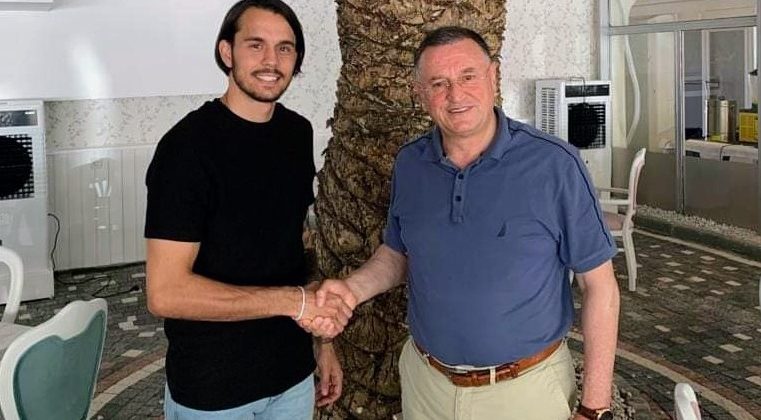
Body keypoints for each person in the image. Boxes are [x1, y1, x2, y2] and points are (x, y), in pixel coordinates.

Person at [306, 26, 621, 420]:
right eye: (438, 83)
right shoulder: (411, 163)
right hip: (427, 386)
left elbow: (600, 287)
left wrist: (594, 407)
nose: (455, 95)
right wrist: (351, 291)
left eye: (468, 76)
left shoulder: (555, 165)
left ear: (493, 76)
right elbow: (399, 254)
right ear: (420, 93)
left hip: (525, 392)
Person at [144, 1, 352, 418]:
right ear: (227, 52)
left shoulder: (296, 133)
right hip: (213, 390)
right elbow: (165, 293)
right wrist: (292, 302)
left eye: (285, 48)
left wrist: (323, 342)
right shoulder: (186, 149)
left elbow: (299, 245)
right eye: (255, 45)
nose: (271, 61)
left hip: (291, 376)